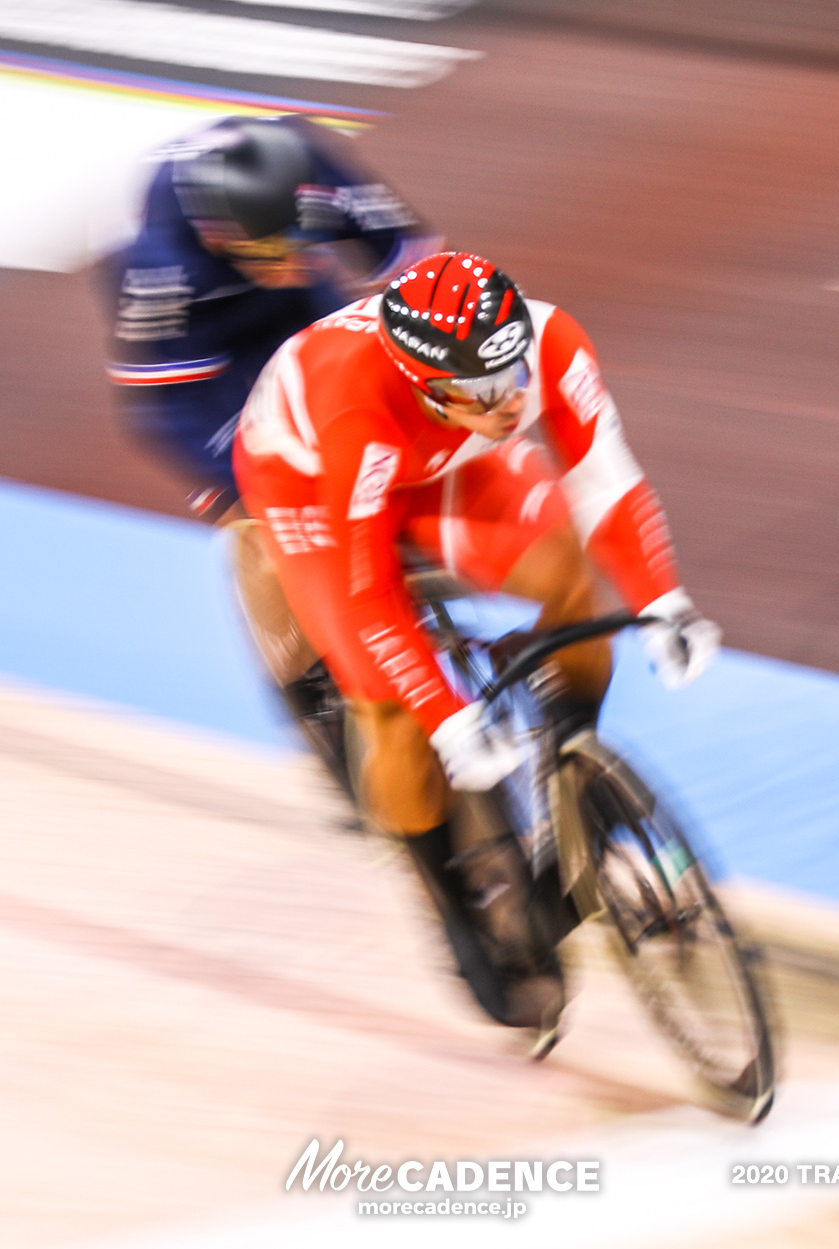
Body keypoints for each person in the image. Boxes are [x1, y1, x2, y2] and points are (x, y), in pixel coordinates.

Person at [230, 250, 722, 1030]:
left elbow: (606, 480)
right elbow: (367, 599)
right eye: (487, 390)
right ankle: (449, 901)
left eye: (514, 370)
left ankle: (573, 783)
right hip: (312, 479)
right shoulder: (360, 414)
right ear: (430, 386)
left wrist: (665, 599)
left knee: (567, 576)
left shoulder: (546, 343)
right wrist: (446, 716)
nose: (512, 399)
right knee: (390, 709)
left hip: (438, 453)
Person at [101, 114, 441, 517]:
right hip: (204, 324)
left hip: (289, 298)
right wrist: (271, 487)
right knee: (272, 504)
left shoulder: (324, 176)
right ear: (216, 237)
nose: (292, 263)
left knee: (376, 395)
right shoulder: (157, 270)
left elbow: (427, 277)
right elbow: (176, 408)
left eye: (301, 241)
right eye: (271, 253)